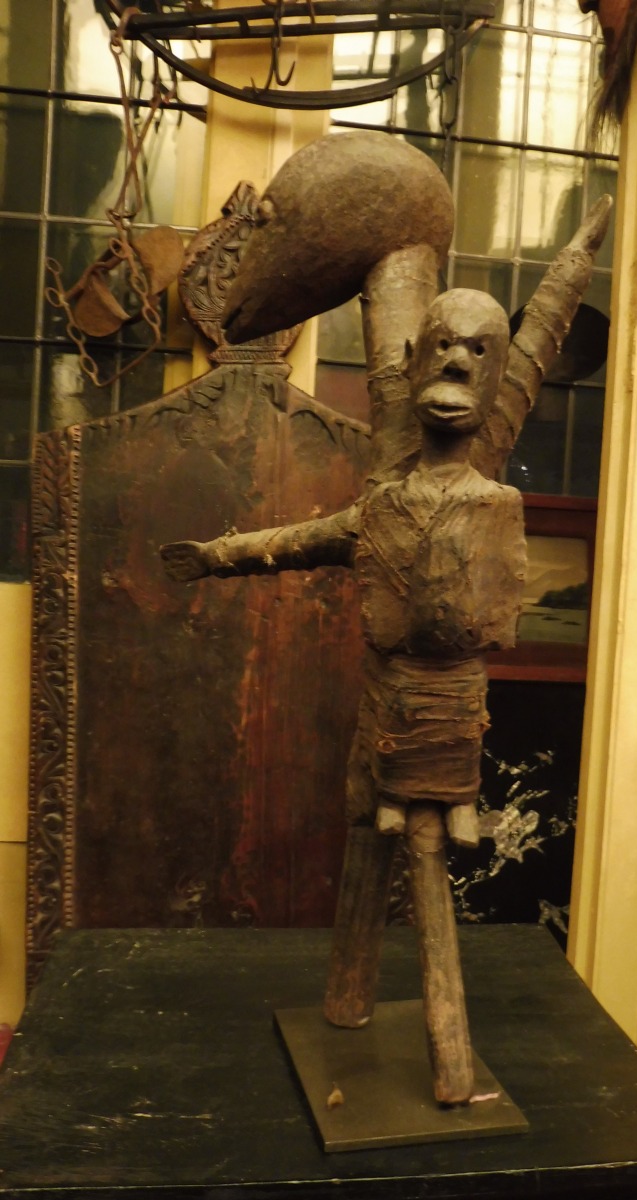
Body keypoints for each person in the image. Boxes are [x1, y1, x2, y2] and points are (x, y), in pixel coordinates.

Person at [162, 289, 526, 1102]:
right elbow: (298, 540)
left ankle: (451, 1066)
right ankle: (349, 996)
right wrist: (215, 556)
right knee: (369, 816)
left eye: (478, 351)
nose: (456, 362)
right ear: (413, 364)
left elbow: (491, 617)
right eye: (442, 345)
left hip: (442, 725)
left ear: (497, 376)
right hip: (384, 714)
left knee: (421, 843)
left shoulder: (496, 507)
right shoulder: (382, 507)